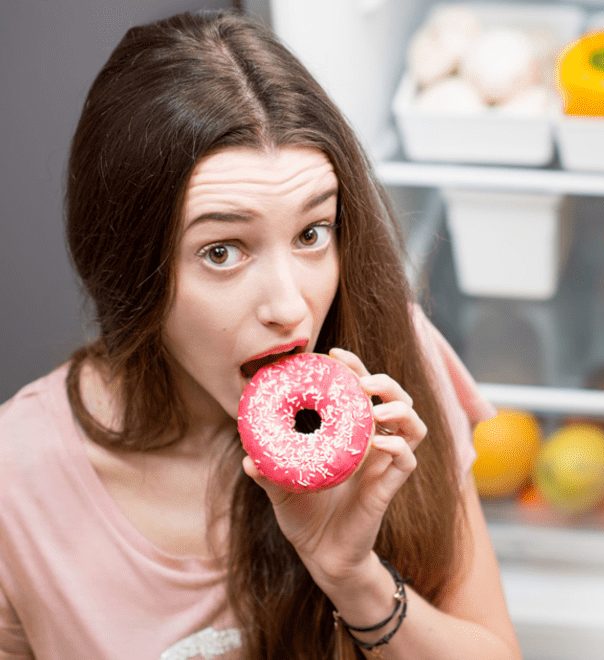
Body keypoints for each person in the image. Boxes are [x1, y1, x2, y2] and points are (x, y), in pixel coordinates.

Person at [0, 9, 521, 660]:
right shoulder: (15, 476)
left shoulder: (393, 365)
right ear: (129, 266)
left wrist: (352, 576)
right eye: (222, 251)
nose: (289, 307)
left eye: (311, 234)